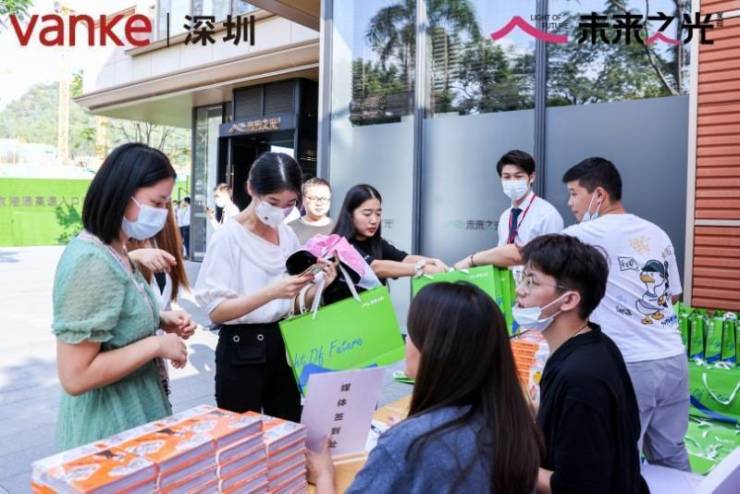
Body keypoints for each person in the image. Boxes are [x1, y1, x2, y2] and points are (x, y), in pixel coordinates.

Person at [455, 157, 690, 471]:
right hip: (673, 356)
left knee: (620, 456)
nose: (570, 203)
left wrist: (471, 260)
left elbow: (522, 253)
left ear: (599, 195)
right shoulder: (655, 232)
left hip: (632, 361)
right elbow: (673, 295)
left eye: (574, 193)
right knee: (670, 453)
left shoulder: (588, 232)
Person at [308, 282, 543, 493]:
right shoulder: (513, 420)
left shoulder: (409, 443)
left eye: (411, 334)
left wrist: (323, 475)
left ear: (433, 350)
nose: (406, 342)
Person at [52, 143, 195, 450]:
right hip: (107, 433)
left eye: (166, 204)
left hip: (134, 422)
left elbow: (116, 320)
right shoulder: (91, 262)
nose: (163, 213)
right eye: (156, 202)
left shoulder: (117, 250)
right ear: (122, 194)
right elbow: (75, 376)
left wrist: (161, 319)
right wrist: (157, 344)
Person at [194, 152, 337, 421]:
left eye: (290, 204)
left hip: (284, 344)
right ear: (251, 189)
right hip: (241, 349)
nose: (281, 211)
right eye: (273, 202)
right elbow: (216, 311)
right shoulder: (228, 238)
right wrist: (272, 292)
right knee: (241, 435)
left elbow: (293, 302)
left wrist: (318, 286)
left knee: (287, 427)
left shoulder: (286, 234)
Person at [513, 234, 647, 494]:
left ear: (568, 300)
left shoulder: (580, 377)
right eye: (522, 278)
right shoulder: (596, 344)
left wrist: (509, 460)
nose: (520, 290)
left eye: (531, 281)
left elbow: (575, 486)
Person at [332, 184, 446, 284]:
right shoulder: (339, 245)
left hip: (376, 302)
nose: (374, 220)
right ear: (350, 214)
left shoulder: (377, 243)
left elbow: (403, 258)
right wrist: (419, 268)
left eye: (378, 214)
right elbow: (374, 268)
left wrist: (431, 262)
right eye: (367, 214)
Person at [496, 150, 563, 247]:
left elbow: (554, 254)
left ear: (531, 177)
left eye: (518, 176)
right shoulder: (505, 217)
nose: (512, 181)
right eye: (507, 177)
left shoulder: (547, 215)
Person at [288, 177, 335, 244]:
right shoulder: (289, 229)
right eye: (313, 198)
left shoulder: (339, 228)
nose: (319, 203)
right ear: (304, 200)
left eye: (324, 198)